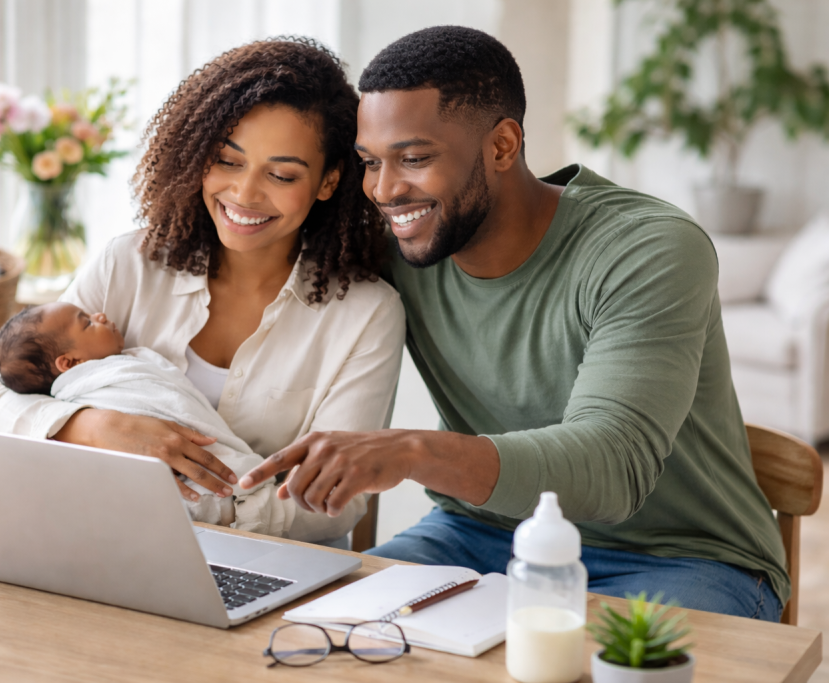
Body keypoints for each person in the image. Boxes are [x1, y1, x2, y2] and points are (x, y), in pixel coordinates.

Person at [240, 26, 788, 621]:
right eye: (371, 163)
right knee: (308, 627)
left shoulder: (647, 248)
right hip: (475, 537)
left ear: (502, 146)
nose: (385, 190)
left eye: (415, 158)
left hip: (680, 559)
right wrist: (122, 373)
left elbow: (614, 466)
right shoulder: (397, 238)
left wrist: (410, 450)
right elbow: (244, 232)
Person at [0, 38, 406, 549]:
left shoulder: (366, 314)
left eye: (281, 174)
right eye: (228, 161)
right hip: (111, 544)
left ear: (327, 182)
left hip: (270, 561)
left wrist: (209, 504)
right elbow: (2, 400)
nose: (245, 194)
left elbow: (337, 501)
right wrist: (94, 428)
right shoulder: (129, 263)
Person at [0, 301, 314, 537]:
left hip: (197, 512)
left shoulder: (124, 366)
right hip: (153, 513)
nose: (100, 314)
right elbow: (1, 395)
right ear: (69, 364)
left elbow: (173, 405)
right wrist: (95, 426)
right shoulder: (98, 382)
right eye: (87, 322)